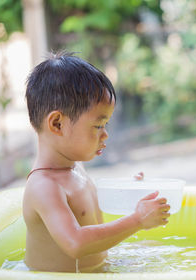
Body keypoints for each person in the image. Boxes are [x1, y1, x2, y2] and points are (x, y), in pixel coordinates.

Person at [23, 52, 170, 273]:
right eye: (98, 125)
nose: (106, 135)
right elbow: (76, 243)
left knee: (159, 253)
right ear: (57, 124)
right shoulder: (44, 186)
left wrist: (128, 192)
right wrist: (138, 220)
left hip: (96, 271)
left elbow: (88, 210)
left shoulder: (75, 169)